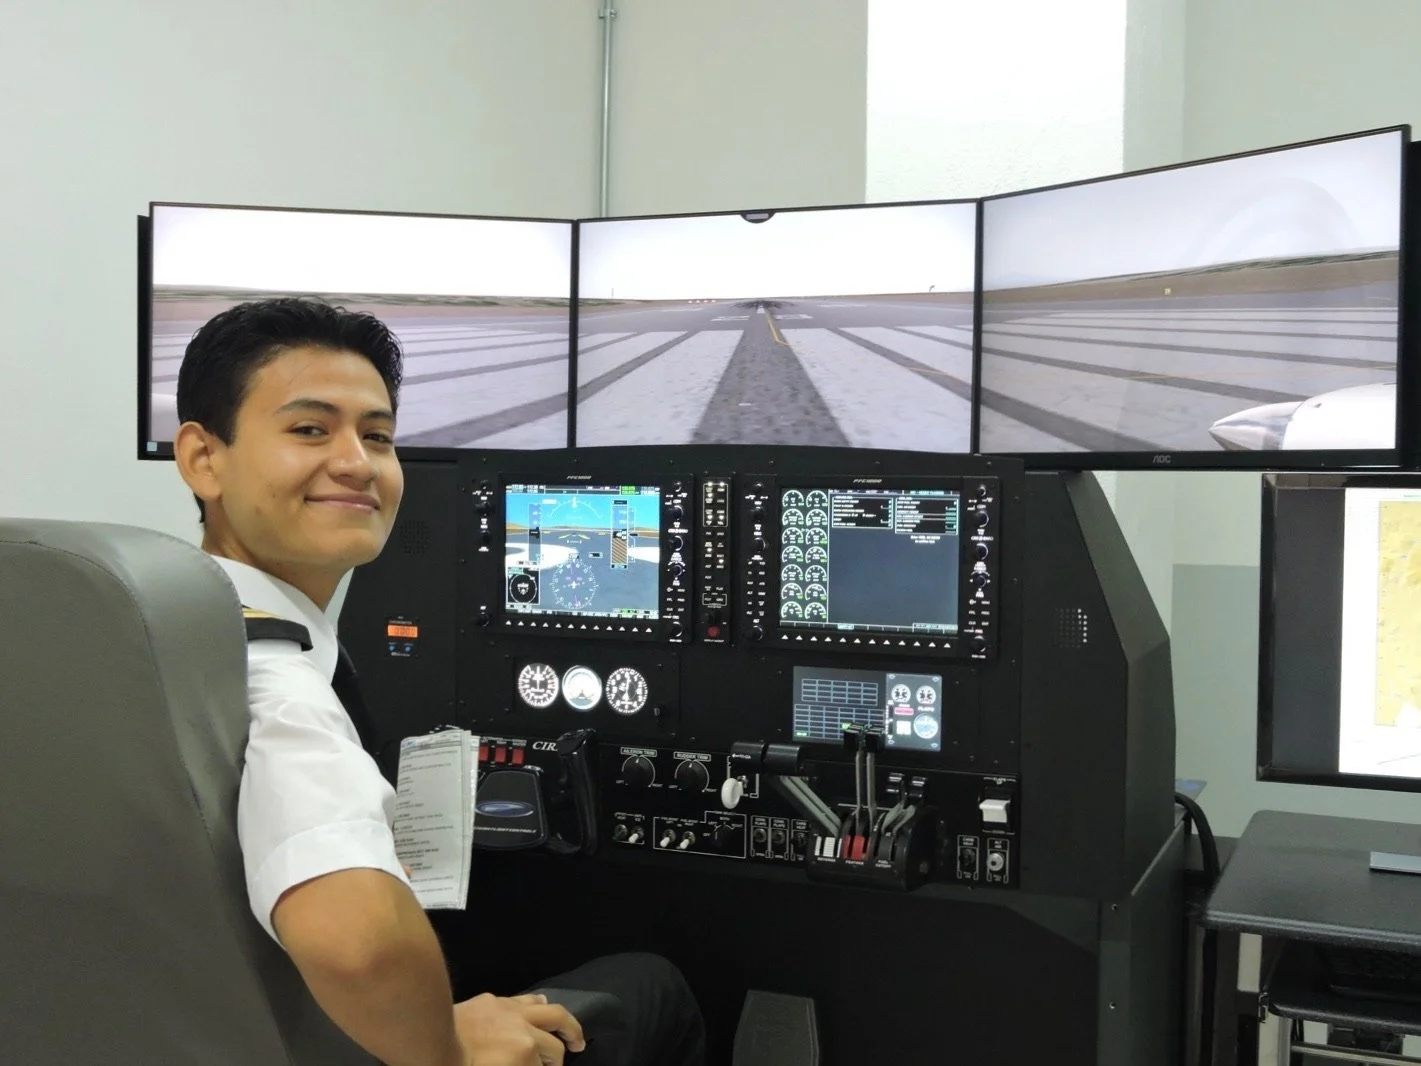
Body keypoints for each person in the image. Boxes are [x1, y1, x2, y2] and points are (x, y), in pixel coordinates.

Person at [172, 297, 706, 1066]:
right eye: (310, 429)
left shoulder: (160, 633)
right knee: (654, 984)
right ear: (203, 458)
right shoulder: (279, 687)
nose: (357, 463)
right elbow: (358, 944)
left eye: (377, 436)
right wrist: (447, 1046)